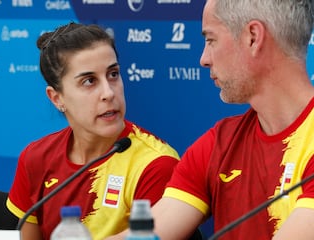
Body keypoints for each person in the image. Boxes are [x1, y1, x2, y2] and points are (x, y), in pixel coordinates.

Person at [106, 0, 314, 239]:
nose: (203, 59)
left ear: (253, 37)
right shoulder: (220, 143)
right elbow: (146, 235)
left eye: (211, 40)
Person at [6, 22, 180, 240]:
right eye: (89, 81)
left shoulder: (156, 164)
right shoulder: (36, 158)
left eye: (113, 74)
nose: (108, 93)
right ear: (57, 98)